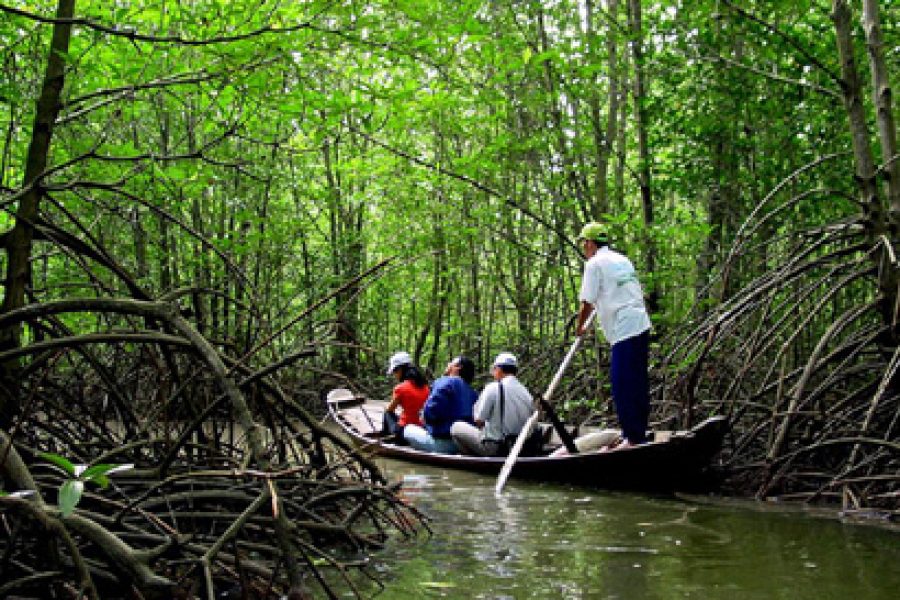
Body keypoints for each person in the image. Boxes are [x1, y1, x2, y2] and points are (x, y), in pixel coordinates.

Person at [576, 221, 652, 448]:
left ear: (590, 243)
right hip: (641, 324)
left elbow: (587, 301)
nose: (584, 248)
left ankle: (632, 438)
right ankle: (638, 432)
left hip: (625, 328)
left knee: (622, 383)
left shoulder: (594, 264)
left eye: (584, 244)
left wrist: (580, 328)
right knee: (637, 381)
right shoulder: (622, 259)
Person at [451, 352, 534, 456]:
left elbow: (478, 420)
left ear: (499, 369)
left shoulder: (494, 387)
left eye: (494, 369)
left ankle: (471, 458)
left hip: (496, 448)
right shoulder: (526, 392)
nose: (493, 372)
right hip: (518, 448)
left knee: (456, 426)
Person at [403, 355, 477, 454]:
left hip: (443, 444)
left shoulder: (446, 381)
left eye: (451, 362)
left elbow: (430, 412)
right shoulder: (473, 392)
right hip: (464, 444)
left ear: (458, 367)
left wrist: (423, 416)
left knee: (407, 429)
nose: (448, 364)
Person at [382, 351, 430, 443]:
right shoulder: (425, 387)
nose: (394, 375)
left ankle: (388, 439)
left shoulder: (400, 388)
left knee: (387, 413)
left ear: (400, 369)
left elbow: (390, 410)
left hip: (404, 431)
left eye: (394, 372)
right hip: (421, 428)